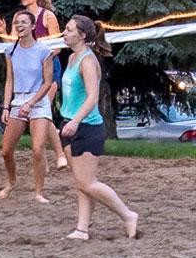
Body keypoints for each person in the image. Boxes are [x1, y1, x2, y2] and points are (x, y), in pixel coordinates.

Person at [58, 16, 140, 240]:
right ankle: (82, 229)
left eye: (68, 30)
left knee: (88, 182)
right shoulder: (72, 57)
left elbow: (93, 97)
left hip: (86, 127)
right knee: (81, 183)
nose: (64, 33)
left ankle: (128, 215)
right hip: (68, 125)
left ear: (82, 35)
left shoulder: (86, 60)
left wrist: (75, 121)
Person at [0, 0, 67, 169]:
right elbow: (13, 45)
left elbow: (58, 47)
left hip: (47, 68)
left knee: (44, 110)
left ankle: (59, 154)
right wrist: (2, 32)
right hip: (27, 71)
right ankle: (44, 156)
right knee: (40, 115)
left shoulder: (48, 16)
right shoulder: (20, 16)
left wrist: (38, 58)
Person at [0, 10, 59, 201]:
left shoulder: (44, 50)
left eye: (24, 22)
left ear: (33, 26)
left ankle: (39, 192)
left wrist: (31, 103)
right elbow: (10, 80)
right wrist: (6, 107)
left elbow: (47, 82)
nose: (19, 25)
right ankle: (12, 182)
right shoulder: (11, 50)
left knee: (37, 149)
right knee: (6, 151)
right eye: (16, 23)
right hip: (18, 100)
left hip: (38, 101)